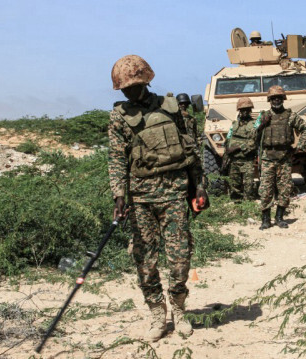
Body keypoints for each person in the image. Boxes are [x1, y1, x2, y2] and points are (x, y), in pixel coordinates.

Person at [108, 55, 208, 342]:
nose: (129, 92)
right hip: (140, 199)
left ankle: (178, 310)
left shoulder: (173, 110)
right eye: (124, 89)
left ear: (146, 81)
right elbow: (116, 159)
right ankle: (156, 313)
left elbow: (191, 150)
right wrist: (119, 195)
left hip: (174, 193)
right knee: (145, 260)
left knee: (180, 259)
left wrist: (199, 186)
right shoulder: (118, 117)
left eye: (133, 86)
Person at [257, 85, 306, 229]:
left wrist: (300, 146)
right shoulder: (263, 116)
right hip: (267, 158)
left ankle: (280, 217)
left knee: (285, 189)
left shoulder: (290, 116)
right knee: (265, 190)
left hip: (284, 158)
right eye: (273, 98)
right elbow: (253, 135)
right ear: (269, 100)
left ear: (283, 99)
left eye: (279, 98)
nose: (276, 100)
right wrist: (262, 124)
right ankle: (265, 219)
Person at [224, 97, 258, 200]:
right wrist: (226, 156)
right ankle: (237, 209)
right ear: (239, 111)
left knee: (249, 188)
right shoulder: (234, 124)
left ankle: (249, 209)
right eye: (242, 110)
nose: (245, 112)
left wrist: (238, 147)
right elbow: (228, 140)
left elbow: (254, 143)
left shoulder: (254, 125)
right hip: (234, 161)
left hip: (247, 160)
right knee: (235, 187)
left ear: (250, 110)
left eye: (247, 110)